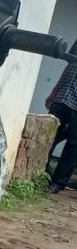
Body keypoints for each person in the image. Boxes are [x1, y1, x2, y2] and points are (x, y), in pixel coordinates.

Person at [45, 48, 77, 193]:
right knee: (48, 138)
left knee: (73, 145)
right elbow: (69, 64)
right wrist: (54, 91)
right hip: (63, 97)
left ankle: (57, 183)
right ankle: (42, 175)